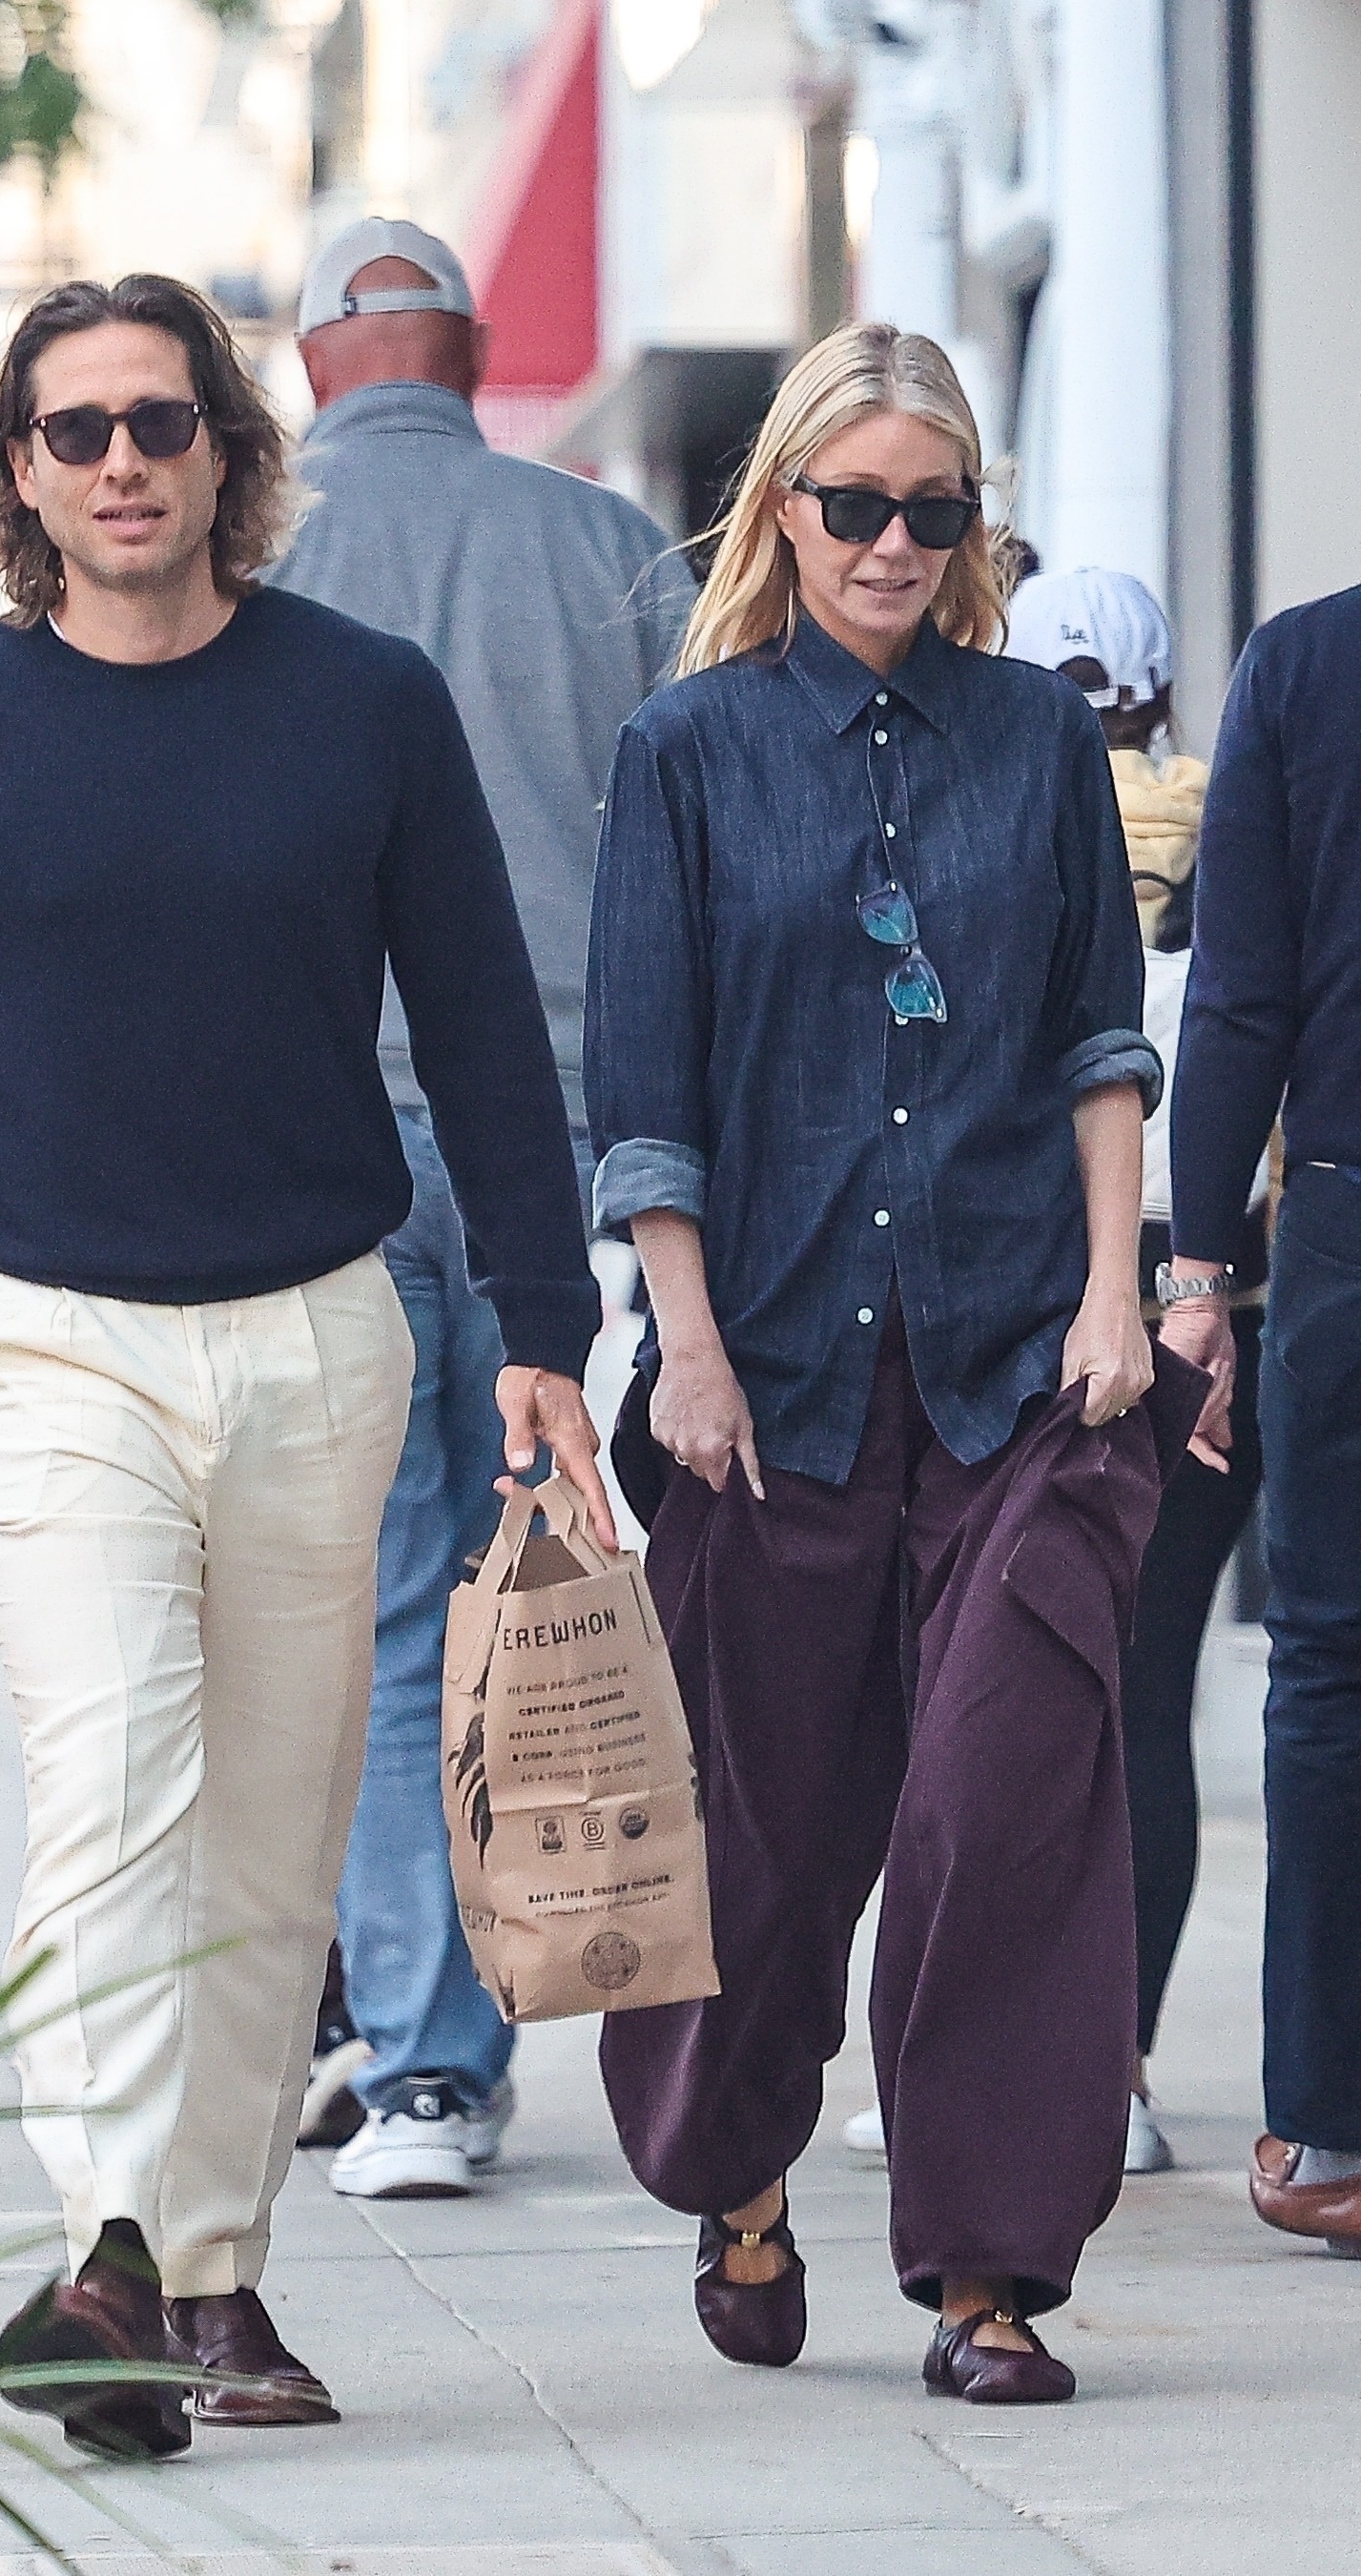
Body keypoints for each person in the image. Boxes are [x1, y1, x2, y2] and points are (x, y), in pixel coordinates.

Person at [0, 272, 610, 2462]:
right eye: (74, 429)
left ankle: (207, 2275)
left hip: (322, 1330)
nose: (120, 458)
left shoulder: (368, 704)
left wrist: (540, 1322)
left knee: (275, 1838)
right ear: (19, 476)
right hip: (51, 1343)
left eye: (156, 418)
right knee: (115, 1785)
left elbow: (489, 1031)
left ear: (229, 446)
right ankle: (101, 2250)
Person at [586, 320, 1203, 2404]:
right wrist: (680, 1350)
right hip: (765, 1375)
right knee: (764, 1844)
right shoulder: (685, 755)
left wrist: (1122, 1288)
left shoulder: (1034, 738)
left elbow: (1102, 1040)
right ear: (781, 507)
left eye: (932, 514)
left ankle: (986, 2276)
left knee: (997, 1810)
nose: (891, 542)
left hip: (1025, 1361)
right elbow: (647, 1086)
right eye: (854, 504)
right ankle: (736, 2173)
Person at [270, 217, 694, 2196]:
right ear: (479, 341)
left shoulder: (245, 551)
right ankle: (534, 1998)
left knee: (378, 1602)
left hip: (322, 1143)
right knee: (545, 1584)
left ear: (304, 360)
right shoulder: (606, 549)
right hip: (564, 1146)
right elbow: (685, 877)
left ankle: (425, 2062)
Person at [1009, 567, 1271, 2176]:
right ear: (1157, 698)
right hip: (1233, 1281)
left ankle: (990, 2042)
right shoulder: (1230, 832)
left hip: (1048, 1291)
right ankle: (1113, 2061)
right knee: (1147, 1690)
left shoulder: (992, 824)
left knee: (1010, 1687)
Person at [1164, 574, 1361, 2260]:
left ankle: (1326, 2118)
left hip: (1348, 1227)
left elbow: (1241, 992)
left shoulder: (1307, 663)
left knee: (1331, 1662)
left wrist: (1200, 1269)